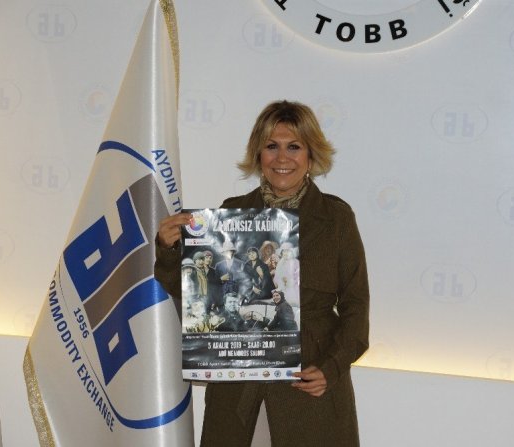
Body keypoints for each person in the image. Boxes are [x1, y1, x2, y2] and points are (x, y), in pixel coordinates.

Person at [155, 100, 369, 446]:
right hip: (237, 392)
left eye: (294, 147)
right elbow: (197, 294)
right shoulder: (229, 215)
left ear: (311, 155)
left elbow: (356, 307)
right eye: (271, 146)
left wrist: (331, 368)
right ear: (258, 154)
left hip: (308, 389)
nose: (282, 158)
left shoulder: (336, 219)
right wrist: (168, 249)